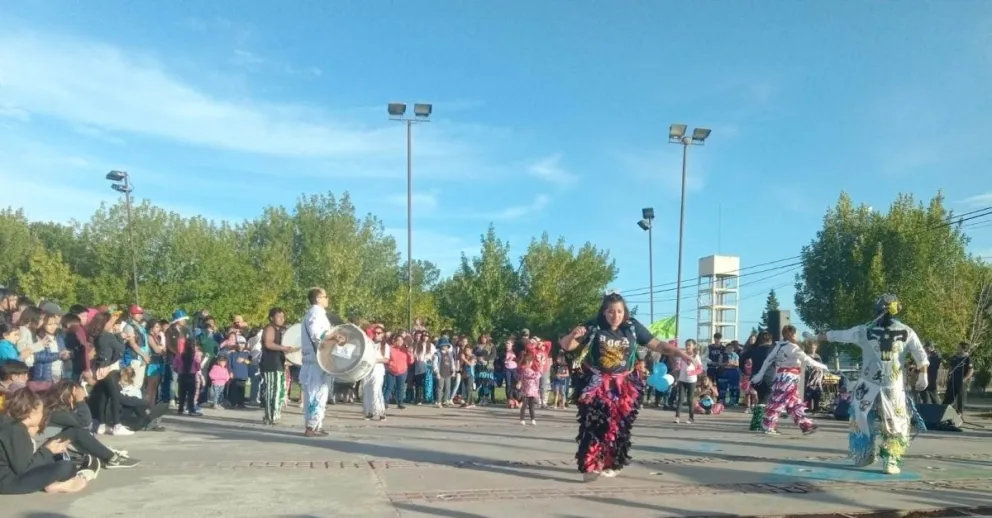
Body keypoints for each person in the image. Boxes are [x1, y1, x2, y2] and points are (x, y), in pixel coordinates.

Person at [559, 291, 693, 482]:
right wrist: (573, 334)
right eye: (611, 312)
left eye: (620, 312)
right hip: (596, 383)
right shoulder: (593, 326)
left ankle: (612, 463)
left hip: (623, 386)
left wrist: (681, 354)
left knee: (618, 427)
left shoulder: (632, 327)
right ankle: (589, 465)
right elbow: (566, 346)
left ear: (625, 312)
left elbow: (659, 346)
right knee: (593, 425)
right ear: (604, 311)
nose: (616, 316)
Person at [810, 294, 928, 475]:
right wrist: (816, 337)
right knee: (861, 418)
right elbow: (840, 335)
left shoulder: (905, 331)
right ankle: (865, 454)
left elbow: (920, 355)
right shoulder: (865, 330)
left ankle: (891, 457)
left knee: (894, 422)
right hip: (869, 384)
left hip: (891, 386)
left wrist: (923, 373)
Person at [0, 388, 93, 494]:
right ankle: (57, 484)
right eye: (40, 412)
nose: (42, 416)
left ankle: (53, 482)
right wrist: (47, 450)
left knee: (52, 461)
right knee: (66, 466)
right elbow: (24, 468)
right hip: (8, 482)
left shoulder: (7, 423)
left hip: (6, 476)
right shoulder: (16, 431)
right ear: (31, 413)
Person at [752, 325, 828, 435]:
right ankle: (768, 425)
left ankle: (805, 425)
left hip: (782, 376)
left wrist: (760, 373)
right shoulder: (792, 347)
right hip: (788, 378)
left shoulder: (779, 346)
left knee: (793, 403)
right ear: (793, 334)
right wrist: (823, 366)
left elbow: (768, 360)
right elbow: (807, 360)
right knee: (778, 402)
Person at [301, 288, 332, 437]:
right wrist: (333, 338)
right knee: (317, 394)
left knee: (318, 394)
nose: (328, 299)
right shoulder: (315, 313)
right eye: (325, 296)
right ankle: (311, 426)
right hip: (315, 361)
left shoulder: (316, 314)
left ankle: (315, 424)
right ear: (318, 298)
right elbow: (316, 334)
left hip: (315, 360)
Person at [260, 308, 295, 425]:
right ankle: (270, 416)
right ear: (271, 318)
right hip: (270, 364)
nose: (281, 319)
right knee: (272, 391)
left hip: (278, 363)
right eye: (278, 316)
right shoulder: (270, 328)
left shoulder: (279, 330)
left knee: (279, 391)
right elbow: (268, 343)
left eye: (282, 316)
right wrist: (284, 348)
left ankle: (274, 415)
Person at [673, 340, 703, 424]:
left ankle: (691, 417)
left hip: (691, 380)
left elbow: (700, 369)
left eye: (689, 345)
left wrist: (692, 372)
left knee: (690, 399)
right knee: (680, 399)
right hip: (682, 379)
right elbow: (678, 366)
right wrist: (677, 367)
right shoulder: (682, 355)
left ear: (693, 346)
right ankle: (677, 417)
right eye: (686, 345)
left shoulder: (696, 356)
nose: (687, 346)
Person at [362, 330, 389, 421]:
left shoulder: (385, 346)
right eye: (375, 333)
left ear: (382, 334)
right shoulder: (368, 344)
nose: (376, 334)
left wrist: (375, 360)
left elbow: (386, 359)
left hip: (378, 370)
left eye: (379, 333)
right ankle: (369, 412)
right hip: (367, 370)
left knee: (376, 390)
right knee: (367, 390)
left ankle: (381, 412)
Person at [942, 342, 973, 415]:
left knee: (960, 397)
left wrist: (965, 379)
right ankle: (943, 409)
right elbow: (950, 368)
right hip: (953, 380)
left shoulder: (968, 358)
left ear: (963, 349)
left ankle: (959, 412)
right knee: (948, 395)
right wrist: (948, 377)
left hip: (961, 380)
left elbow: (971, 370)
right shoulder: (954, 357)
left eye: (959, 347)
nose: (957, 348)